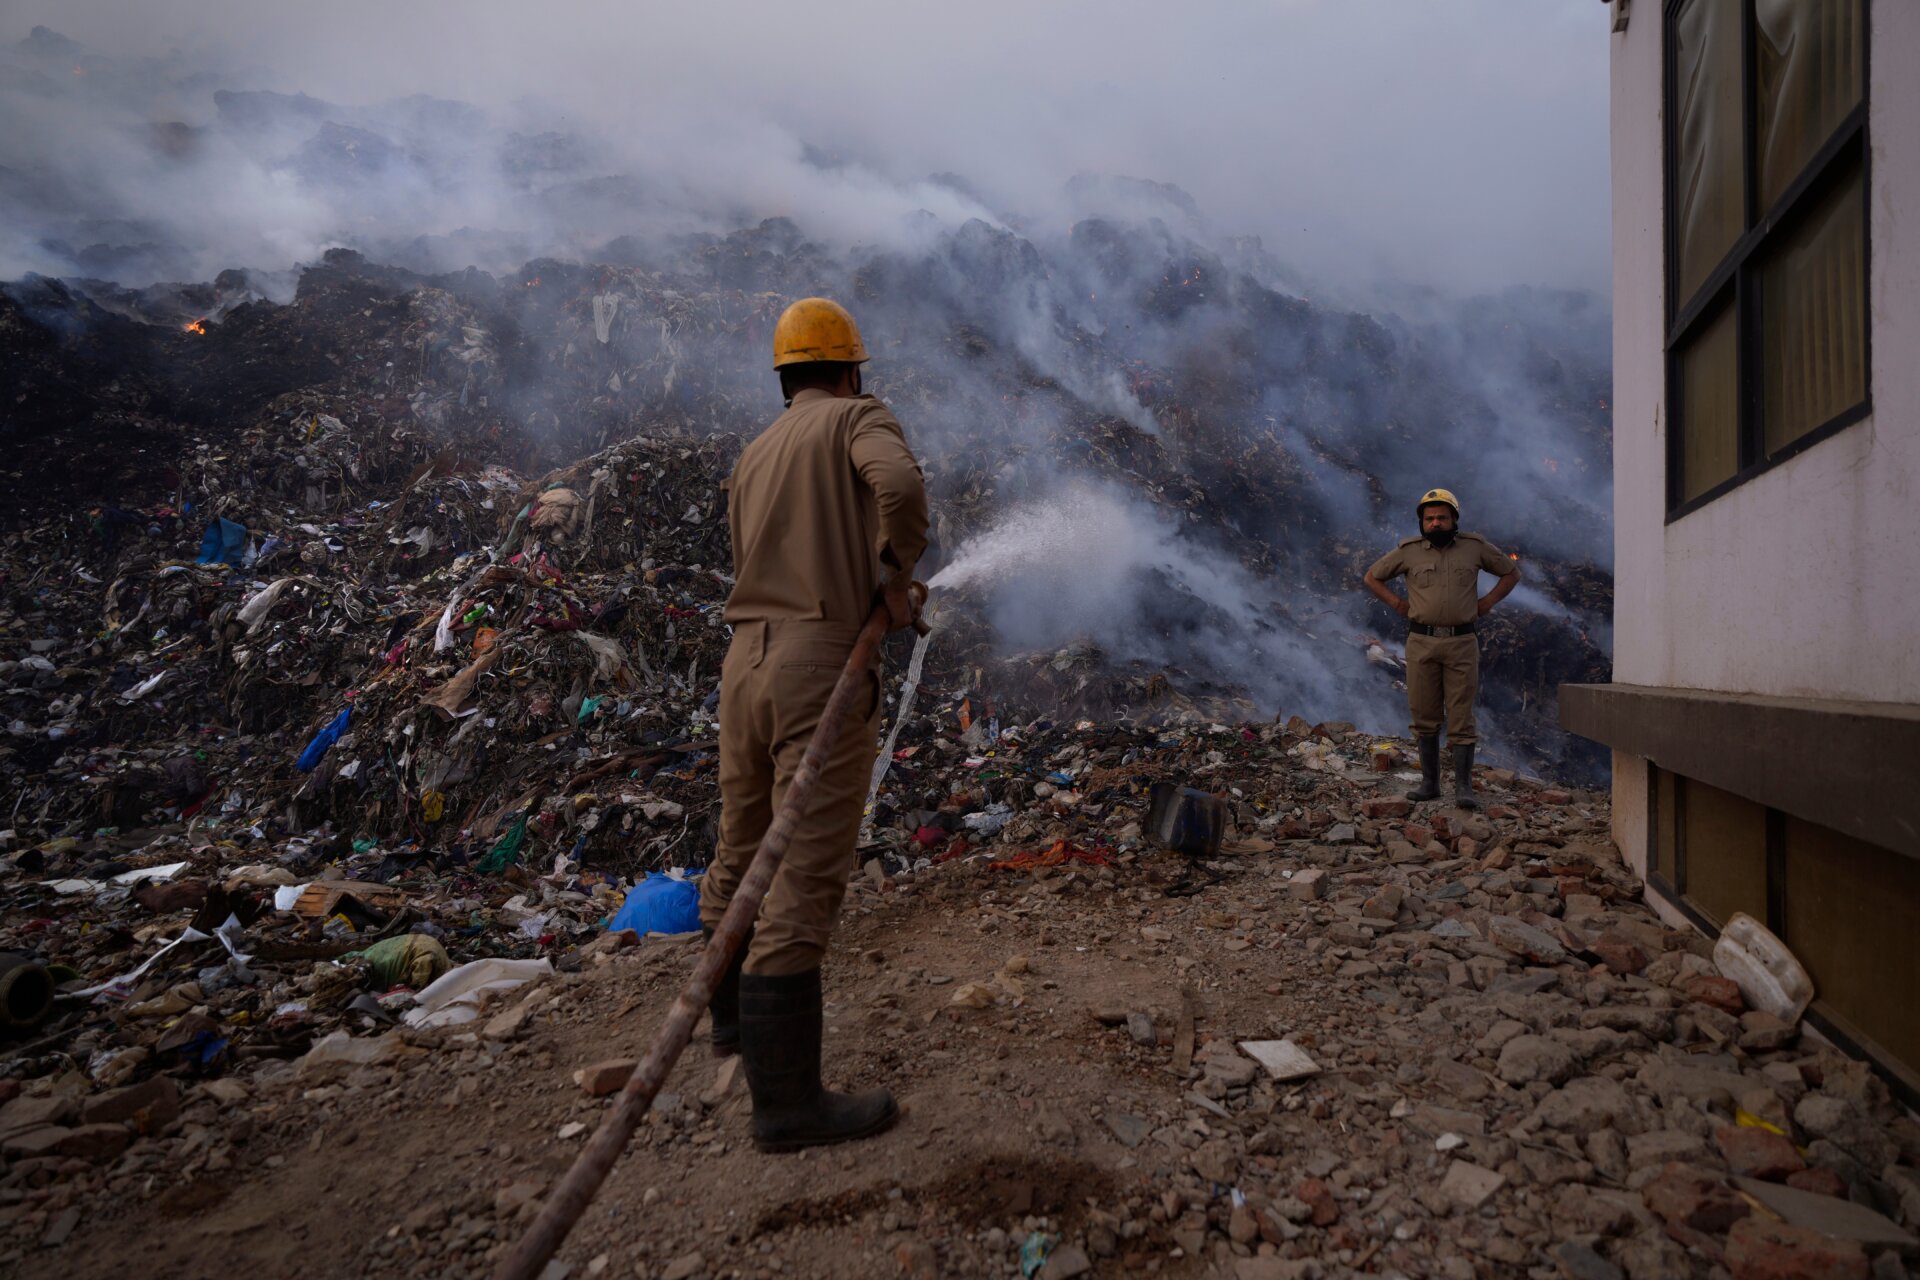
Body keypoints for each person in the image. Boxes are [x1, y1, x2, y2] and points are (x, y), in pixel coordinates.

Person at [696, 296, 929, 1152]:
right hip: (815, 663)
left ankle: (728, 1026)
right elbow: (898, 487)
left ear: (784, 376)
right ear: (849, 369)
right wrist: (894, 575)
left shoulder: (754, 454)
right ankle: (789, 1105)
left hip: (743, 667)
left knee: (741, 844)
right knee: (803, 873)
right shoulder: (857, 419)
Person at [1361, 488, 1519, 808]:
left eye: (1442, 518)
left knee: (1461, 716)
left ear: (1454, 520)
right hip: (1421, 642)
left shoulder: (1474, 548)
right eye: (1429, 518)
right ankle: (1430, 784)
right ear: (1422, 522)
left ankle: (1463, 788)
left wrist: (1487, 603)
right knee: (1424, 714)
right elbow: (1372, 577)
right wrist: (1397, 604)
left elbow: (1510, 573)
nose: (1435, 523)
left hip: (1462, 642)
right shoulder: (1409, 551)